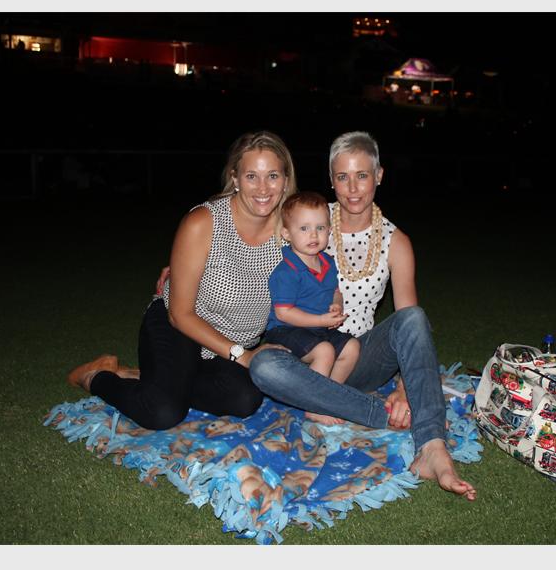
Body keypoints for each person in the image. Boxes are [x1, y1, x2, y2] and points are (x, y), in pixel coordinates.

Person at [249, 131, 477, 501]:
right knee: (264, 366)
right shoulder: (310, 217)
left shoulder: (395, 241)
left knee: (414, 317)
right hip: (304, 357)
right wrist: (183, 267)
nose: (352, 188)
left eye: (362, 175)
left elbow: (407, 323)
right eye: (342, 177)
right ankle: (375, 414)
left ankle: (432, 449)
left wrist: (404, 388)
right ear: (331, 179)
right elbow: (246, 231)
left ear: (379, 175)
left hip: (359, 357)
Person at [66, 131, 297, 430]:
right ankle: (96, 377)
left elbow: (340, 224)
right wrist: (243, 357)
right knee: (162, 411)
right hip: (180, 326)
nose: (263, 188)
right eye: (251, 176)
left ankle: (156, 379)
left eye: (273, 176)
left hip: (229, 346)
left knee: (245, 400)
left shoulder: (295, 230)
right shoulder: (204, 222)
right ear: (235, 178)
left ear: (286, 180)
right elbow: (180, 314)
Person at [264, 191, 360, 425]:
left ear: (329, 230)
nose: (313, 234)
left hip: (318, 328)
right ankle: (314, 406)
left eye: (320, 227)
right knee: (324, 351)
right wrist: (322, 321)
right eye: (304, 228)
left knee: (352, 347)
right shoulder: (287, 271)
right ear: (287, 233)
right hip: (285, 330)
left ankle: (329, 397)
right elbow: (283, 313)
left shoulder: (328, 262)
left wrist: (336, 305)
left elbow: (335, 290)